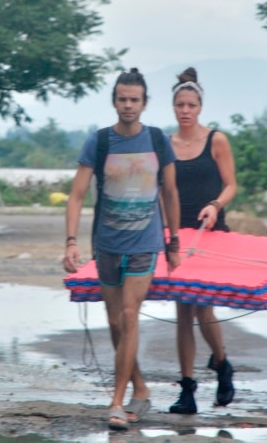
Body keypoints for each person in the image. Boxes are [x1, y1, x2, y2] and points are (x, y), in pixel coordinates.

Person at [62, 68, 182, 431]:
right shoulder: (98, 142)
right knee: (115, 322)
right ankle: (140, 388)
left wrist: (173, 241)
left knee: (130, 316)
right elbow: (77, 195)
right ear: (114, 101)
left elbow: (171, 193)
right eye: (122, 99)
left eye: (134, 99)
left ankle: (116, 402)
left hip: (145, 244)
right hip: (107, 245)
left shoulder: (159, 141)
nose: (127, 105)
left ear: (144, 103)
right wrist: (71, 241)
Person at [167, 66, 238, 414]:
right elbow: (161, 191)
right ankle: (188, 391)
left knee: (203, 308)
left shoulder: (217, 140)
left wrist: (215, 205)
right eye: (180, 105)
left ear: (200, 106)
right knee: (183, 312)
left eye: (191, 105)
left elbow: (231, 185)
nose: (185, 111)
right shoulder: (165, 145)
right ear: (173, 107)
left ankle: (222, 365)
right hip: (178, 236)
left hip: (212, 234)